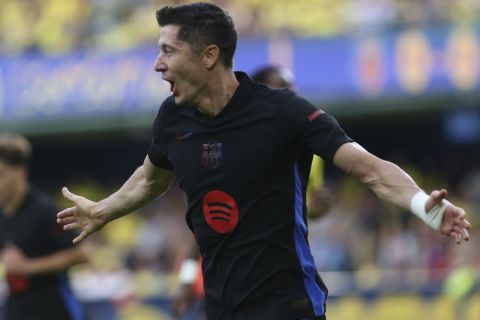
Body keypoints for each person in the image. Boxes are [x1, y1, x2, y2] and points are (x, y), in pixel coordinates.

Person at [57, 3, 471, 320]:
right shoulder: (173, 117)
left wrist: (423, 207)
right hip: (220, 305)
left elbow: (369, 167)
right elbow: (151, 180)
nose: (157, 63)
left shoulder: (283, 113)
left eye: (168, 50)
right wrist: (103, 210)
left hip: (286, 302)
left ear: (208, 56)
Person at [171, 64, 332, 319]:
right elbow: (206, 224)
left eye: (294, 90)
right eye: (284, 89)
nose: (293, 97)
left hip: (285, 280)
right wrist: (186, 280)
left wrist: (318, 210)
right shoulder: (234, 147)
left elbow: (296, 211)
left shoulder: (308, 149)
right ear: (261, 94)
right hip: (232, 287)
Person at [0, 133, 88, 320]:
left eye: (1, 175)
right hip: (15, 309)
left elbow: (81, 254)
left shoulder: (45, 211)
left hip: (52, 309)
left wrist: (27, 267)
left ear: (20, 172)